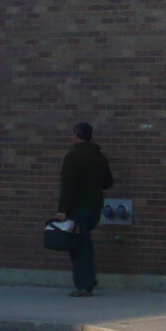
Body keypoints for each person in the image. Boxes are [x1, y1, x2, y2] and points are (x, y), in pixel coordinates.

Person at [57, 122, 114, 296]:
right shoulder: (99, 156)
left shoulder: (73, 156)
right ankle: (87, 281)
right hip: (95, 208)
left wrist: (62, 210)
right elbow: (108, 182)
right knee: (84, 244)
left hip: (78, 208)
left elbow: (67, 185)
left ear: (76, 136)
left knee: (80, 248)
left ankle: (84, 285)